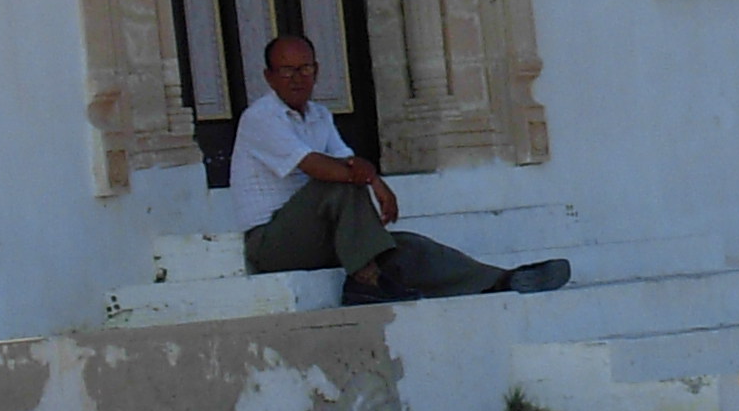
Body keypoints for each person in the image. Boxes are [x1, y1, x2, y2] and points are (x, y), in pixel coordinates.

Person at [232, 34, 570, 303]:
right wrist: (372, 182)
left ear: (317, 71)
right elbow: (320, 168)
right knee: (335, 185)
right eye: (287, 71)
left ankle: (501, 280)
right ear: (269, 77)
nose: (297, 78)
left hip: (320, 236)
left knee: (403, 248)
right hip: (272, 243)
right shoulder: (261, 118)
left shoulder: (320, 116)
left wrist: (372, 179)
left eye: (305, 69)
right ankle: (365, 282)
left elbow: (352, 163)